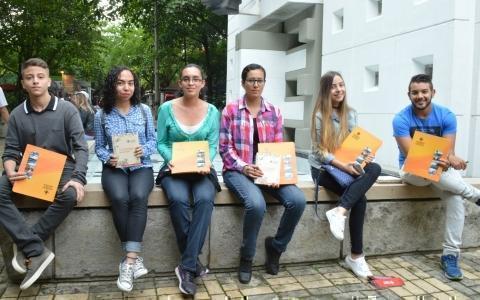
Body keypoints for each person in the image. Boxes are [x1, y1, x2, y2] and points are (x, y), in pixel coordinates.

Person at [0, 58, 87, 290]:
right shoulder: (18, 114)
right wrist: (10, 170)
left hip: (61, 167)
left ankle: (29, 244)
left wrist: (78, 178)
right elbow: (10, 151)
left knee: (70, 195)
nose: (35, 81)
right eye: (30, 77)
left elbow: (81, 148)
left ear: (49, 80)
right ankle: (36, 250)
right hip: (29, 167)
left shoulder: (67, 110)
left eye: (40, 76)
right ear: (23, 83)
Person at [219, 63, 306, 284]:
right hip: (238, 171)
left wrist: (275, 174)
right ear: (243, 83)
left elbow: (277, 146)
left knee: (297, 200)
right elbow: (224, 148)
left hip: (267, 172)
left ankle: (276, 247)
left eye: (259, 80)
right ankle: (247, 257)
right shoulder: (230, 110)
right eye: (251, 80)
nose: (255, 84)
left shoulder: (274, 111)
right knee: (256, 205)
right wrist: (244, 167)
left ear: (264, 83)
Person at [393, 73, 480, 281]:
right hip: (411, 170)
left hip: (438, 172)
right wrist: (446, 157)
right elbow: (412, 156)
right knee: (426, 167)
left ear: (433, 92)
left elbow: (448, 153)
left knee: (456, 199)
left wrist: (452, 157)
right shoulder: (401, 119)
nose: (420, 96)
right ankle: (475, 195)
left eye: (424, 91)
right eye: (415, 92)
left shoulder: (446, 116)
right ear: (409, 94)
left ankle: (450, 256)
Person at [308, 71, 381, 279]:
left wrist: (365, 155)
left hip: (346, 165)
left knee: (374, 167)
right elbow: (318, 152)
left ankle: (339, 210)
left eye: (341, 85)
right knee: (360, 199)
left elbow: (354, 144)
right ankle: (356, 257)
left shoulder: (351, 113)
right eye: (333, 86)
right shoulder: (319, 115)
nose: (339, 89)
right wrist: (344, 166)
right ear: (326, 91)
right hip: (324, 169)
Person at [156, 64, 220, 295]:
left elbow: (213, 144)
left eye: (195, 79)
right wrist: (170, 159)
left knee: (205, 199)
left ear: (202, 83)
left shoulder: (212, 111)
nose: (191, 83)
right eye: (186, 79)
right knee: (178, 199)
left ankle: (185, 267)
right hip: (174, 168)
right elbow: (161, 142)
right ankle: (192, 264)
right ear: (180, 83)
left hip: (202, 169)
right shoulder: (166, 108)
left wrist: (208, 161)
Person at [94, 66, 156, 292]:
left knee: (138, 195)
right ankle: (135, 259)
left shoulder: (144, 111)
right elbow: (99, 147)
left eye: (130, 83)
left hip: (141, 166)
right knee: (120, 197)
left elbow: (153, 141)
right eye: (121, 82)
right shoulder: (101, 115)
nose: (126, 87)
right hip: (114, 168)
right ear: (112, 85)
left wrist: (143, 149)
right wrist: (107, 157)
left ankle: (128, 260)